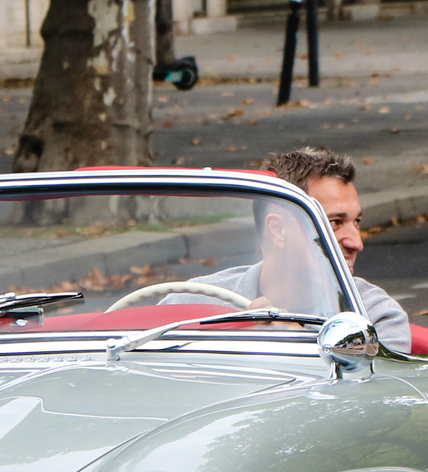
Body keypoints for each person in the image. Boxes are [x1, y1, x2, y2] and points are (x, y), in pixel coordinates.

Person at [167, 145, 411, 353]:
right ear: (278, 230)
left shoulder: (375, 315)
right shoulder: (188, 306)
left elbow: (374, 400)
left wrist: (299, 343)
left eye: (356, 222)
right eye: (334, 223)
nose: (356, 242)